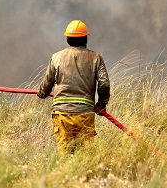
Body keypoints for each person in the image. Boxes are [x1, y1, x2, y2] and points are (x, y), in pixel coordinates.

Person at [37, 20, 111, 154]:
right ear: (85, 39)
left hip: (62, 114)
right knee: (85, 158)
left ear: (67, 40)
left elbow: (46, 84)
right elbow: (104, 84)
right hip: (85, 114)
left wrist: (42, 93)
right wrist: (101, 104)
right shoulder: (96, 58)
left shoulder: (56, 58)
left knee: (65, 157)